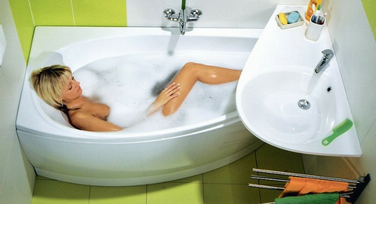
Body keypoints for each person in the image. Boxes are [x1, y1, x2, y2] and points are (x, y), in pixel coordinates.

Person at [30, 63, 242, 132]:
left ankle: (243, 76)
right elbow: (126, 134)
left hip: (148, 106)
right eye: (70, 86)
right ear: (57, 97)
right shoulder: (80, 117)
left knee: (190, 69)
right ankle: (246, 75)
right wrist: (157, 102)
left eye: (74, 79)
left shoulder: (83, 95)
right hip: (159, 116)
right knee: (191, 69)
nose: (77, 84)